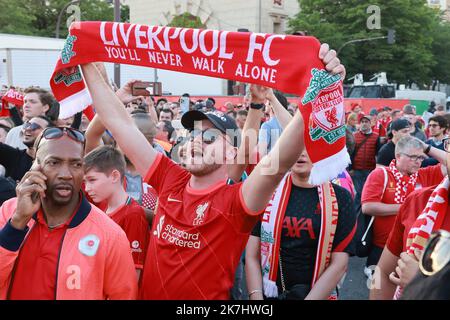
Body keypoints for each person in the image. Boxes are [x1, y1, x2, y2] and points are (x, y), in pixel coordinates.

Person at [80, 43, 345, 299]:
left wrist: (322, 87)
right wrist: (85, 55)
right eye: (193, 134)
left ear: (232, 152)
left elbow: (280, 160)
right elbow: (118, 122)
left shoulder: (237, 201)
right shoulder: (169, 177)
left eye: (209, 137)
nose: (196, 140)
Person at [0, 127, 137, 299]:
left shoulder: (110, 235)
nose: (66, 174)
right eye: (54, 162)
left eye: (76, 164)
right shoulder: (7, 212)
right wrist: (17, 222)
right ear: (36, 167)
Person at [245, 150, 356, 300]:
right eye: (296, 145)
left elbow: (340, 263)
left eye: (309, 147)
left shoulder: (341, 198)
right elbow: (252, 255)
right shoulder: (269, 193)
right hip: (270, 292)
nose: (301, 153)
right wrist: (256, 297)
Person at [361, 136, 447, 274]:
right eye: (413, 157)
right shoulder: (381, 174)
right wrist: (407, 207)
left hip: (414, 249)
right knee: (380, 287)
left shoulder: (424, 174)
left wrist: (427, 147)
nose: (418, 162)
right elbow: (368, 206)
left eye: (420, 157)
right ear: (398, 156)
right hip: (382, 247)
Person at [83, 146, 149, 280]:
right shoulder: (103, 206)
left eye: (92, 180)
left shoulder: (133, 214)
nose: (87, 188)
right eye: (85, 182)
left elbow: (134, 272)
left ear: (114, 176)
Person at [0, 116, 52, 182]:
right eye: (27, 125)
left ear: (48, 133)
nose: (28, 129)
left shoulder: (54, 162)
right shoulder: (13, 156)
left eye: (34, 126)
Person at [350, 115, 381, 209]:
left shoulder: (376, 137)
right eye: (362, 122)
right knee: (360, 192)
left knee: (366, 191)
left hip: (370, 170)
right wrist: (350, 168)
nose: (364, 124)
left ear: (370, 124)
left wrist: (376, 169)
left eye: (366, 122)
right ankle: (355, 212)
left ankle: (360, 211)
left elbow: (378, 154)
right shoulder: (354, 136)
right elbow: (350, 153)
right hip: (357, 169)